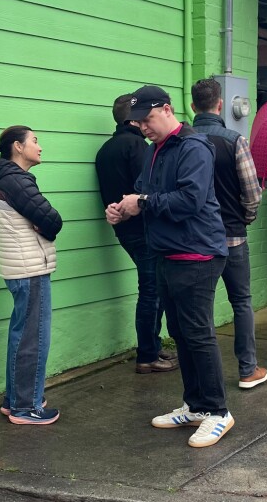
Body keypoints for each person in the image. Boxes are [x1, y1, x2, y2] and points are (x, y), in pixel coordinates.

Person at [106, 85, 234, 448]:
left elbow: (190, 200)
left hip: (197, 255)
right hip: (166, 253)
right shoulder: (152, 152)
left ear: (166, 109)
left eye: (147, 119)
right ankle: (196, 405)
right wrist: (122, 208)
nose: (143, 127)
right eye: (138, 122)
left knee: (198, 333)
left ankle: (217, 411)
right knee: (179, 332)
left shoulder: (194, 148)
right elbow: (142, 193)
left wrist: (141, 203)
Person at [0, 126, 63, 425]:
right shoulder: (17, 180)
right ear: (18, 146)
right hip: (29, 269)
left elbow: (43, 220)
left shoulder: (9, 178)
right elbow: (52, 220)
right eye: (35, 141)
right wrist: (47, 226)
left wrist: (44, 225)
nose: (39, 146)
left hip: (22, 268)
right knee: (33, 338)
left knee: (22, 333)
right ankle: (26, 407)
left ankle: (15, 400)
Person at [190, 78, 267, 390]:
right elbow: (252, 192)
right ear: (219, 104)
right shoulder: (235, 141)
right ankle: (248, 369)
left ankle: (205, 377)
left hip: (195, 240)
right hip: (232, 236)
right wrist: (244, 219)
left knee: (201, 307)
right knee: (241, 301)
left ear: (193, 106)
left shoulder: (182, 141)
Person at [95, 94, 178, 374]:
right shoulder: (139, 147)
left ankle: (151, 348)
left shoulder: (105, 149)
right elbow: (149, 189)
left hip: (123, 230)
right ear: (133, 119)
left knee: (150, 289)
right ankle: (147, 354)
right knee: (152, 292)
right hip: (143, 229)